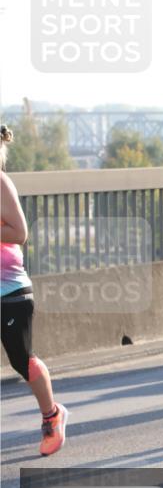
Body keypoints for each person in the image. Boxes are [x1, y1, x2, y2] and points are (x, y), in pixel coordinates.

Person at [1, 124, 69, 456]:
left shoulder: (1, 182)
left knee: (21, 361)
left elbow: (19, 232)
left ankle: (52, 416)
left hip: (10, 290)